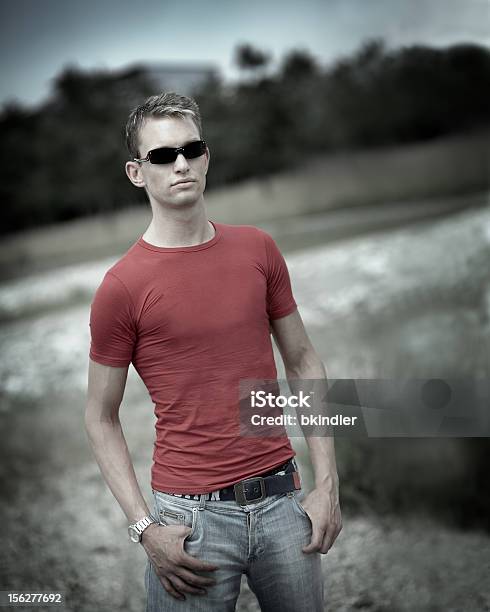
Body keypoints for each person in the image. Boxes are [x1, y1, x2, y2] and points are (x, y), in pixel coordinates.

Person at [85, 91, 342, 612]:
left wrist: (327, 483)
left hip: (282, 503)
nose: (180, 164)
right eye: (161, 155)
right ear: (137, 172)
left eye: (190, 149)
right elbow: (100, 416)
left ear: (206, 156)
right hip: (190, 524)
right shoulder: (122, 287)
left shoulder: (258, 249)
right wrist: (144, 528)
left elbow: (303, 362)